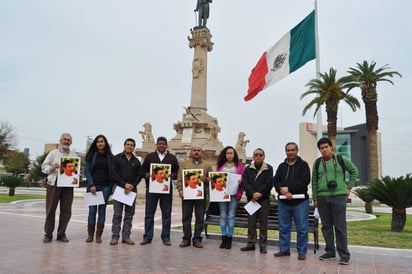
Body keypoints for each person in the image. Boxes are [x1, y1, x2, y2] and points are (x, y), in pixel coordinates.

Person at [312, 137, 358, 265]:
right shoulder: (317, 163)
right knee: (326, 227)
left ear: (331, 147)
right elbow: (314, 181)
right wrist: (315, 198)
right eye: (322, 148)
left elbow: (354, 171)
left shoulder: (341, 159)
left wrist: (349, 187)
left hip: (338, 197)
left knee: (340, 227)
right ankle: (330, 251)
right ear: (319, 150)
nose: (324, 150)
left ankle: (344, 255)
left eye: (326, 147)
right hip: (322, 198)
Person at [273, 142, 311, 260]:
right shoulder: (281, 166)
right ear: (286, 152)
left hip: (300, 202)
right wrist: (283, 191)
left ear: (297, 150)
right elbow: (276, 181)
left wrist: (289, 189)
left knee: (302, 228)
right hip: (284, 202)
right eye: (288, 150)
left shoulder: (303, 165)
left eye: (292, 150)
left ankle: (302, 251)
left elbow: (305, 181)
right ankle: (284, 250)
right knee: (284, 227)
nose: (290, 152)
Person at [140, 137, 179, 246]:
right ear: (156, 145)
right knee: (149, 214)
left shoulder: (172, 158)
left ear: (166, 145)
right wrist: (146, 175)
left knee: (166, 214)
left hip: (166, 190)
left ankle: (166, 237)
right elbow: (142, 170)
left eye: (163, 144)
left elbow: (177, 171)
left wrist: (173, 175)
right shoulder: (150, 157)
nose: (161, 145)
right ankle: (147, 237)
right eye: (159, 144)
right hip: (152, 189)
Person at [41, 133, 78, 243]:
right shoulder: (53, 153)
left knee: (66, 210)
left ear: (71, 142)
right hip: (54, 183)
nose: (66, 142)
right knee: (51, 209)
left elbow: (75, 169)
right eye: (65, 139)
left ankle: (61, 234)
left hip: (68, 184)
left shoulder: (74, 155)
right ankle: (48, 234)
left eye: (69, 140)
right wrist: (52, 167)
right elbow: (43, 167)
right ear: (60, 140)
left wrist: (76, 174)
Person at [177, 145, 213, 248]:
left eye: (198, 150)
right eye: (194, 150)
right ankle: (186, 238)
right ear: (191, 152)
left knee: (200, 217)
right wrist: (180, 190)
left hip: (200, 196)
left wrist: (205, 179)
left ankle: (197, 239)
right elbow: (179, 179)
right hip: (187, 195)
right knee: (186, 217)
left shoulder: (207, 165)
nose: (196, 152)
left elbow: (211, 180)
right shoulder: (184, 163)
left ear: (201, 152)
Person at [240, 148, 273, 254]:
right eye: (256, 154)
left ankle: (263, 246)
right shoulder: (248, 168)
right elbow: (245, 183)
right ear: (253, 157)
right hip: (251, 200)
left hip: (263, 200)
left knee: (263, 224)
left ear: (264, 156)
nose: (258, 156)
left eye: (260, 154)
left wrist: (259, 193)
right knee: (251, 223)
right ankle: (251, 244)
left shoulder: (269, 168)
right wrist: (252, 193)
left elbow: (269, 183)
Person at [110, 138, 142, 245]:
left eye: (132, 145)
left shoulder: (136, 161)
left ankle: (126, 236)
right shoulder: (117, 158)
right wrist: (124, 184)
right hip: (119, 189)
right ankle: (115, 237)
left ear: (134, 147)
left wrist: (132, 185)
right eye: (127, 144)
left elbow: (139, 175)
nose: (129, 146)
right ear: (124, 146)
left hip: (131, 191)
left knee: (129, 215)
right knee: (117, 214)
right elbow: (113, 173)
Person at [84, 134, 113, 243]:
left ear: (105, 143)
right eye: (98, 142)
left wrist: (111, 188)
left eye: (102, 141)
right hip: (93, 187)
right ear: (95, 144)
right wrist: (91, 184)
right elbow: (86, 170)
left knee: (102, 210)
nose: (100, 143)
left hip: (105, 187)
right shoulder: (91, 155)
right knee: (92, 211)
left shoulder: (110, 157)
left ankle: (98, 236)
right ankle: (90, 235)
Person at [215, 146, 245, 249]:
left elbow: (244, 180)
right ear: (225, 154)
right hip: (222, 195)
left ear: (234, 155)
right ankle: (223, 238)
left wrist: (241, 182)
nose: (229, 155)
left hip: (233, 194)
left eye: (231, 153)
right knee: (223, 215)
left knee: (231, 215)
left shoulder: (240, 167)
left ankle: (229, 239)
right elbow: (216, 178)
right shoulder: (220, 166)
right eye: (227, 153)